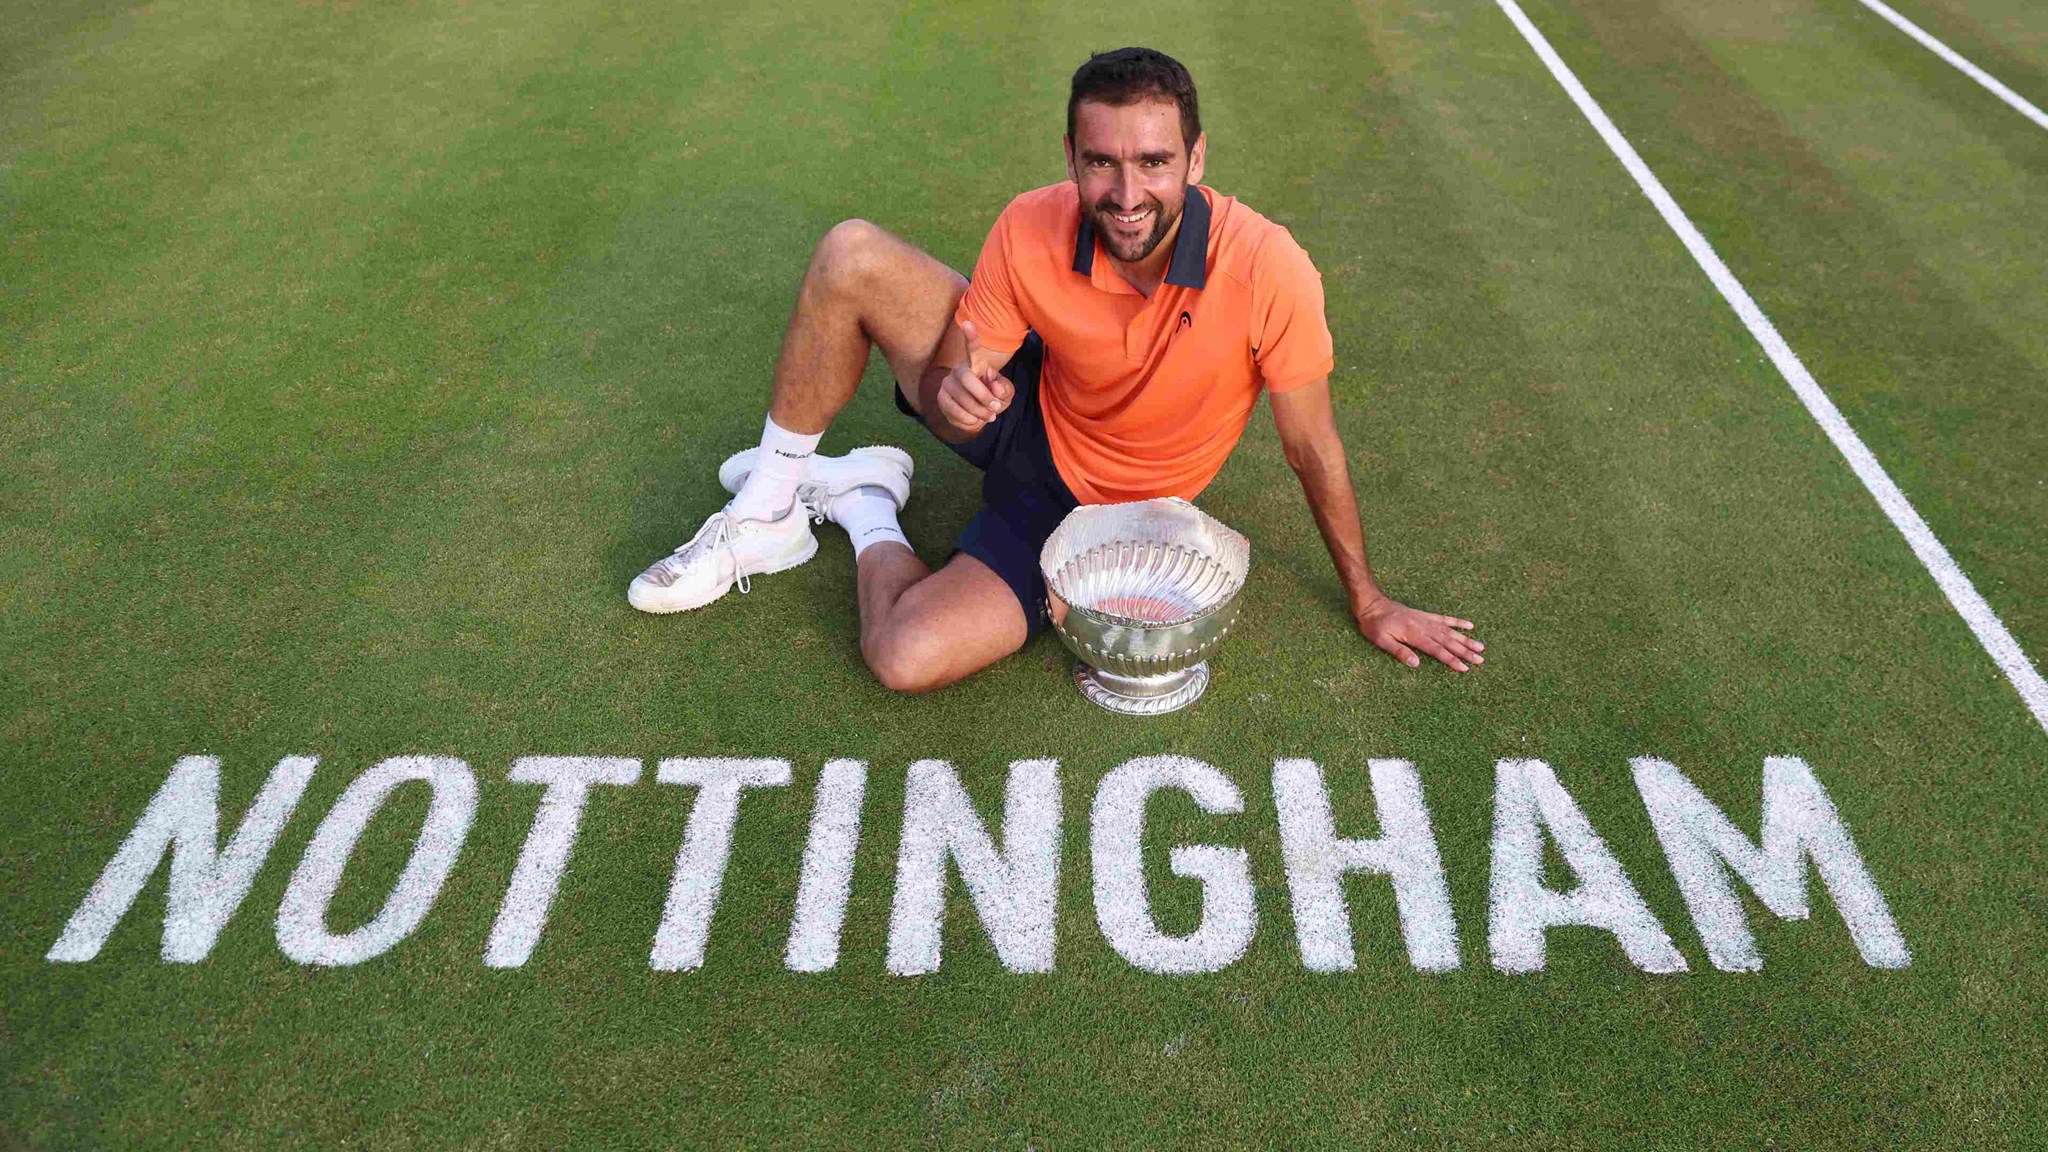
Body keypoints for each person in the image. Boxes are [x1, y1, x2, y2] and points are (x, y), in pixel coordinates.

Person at [628, 47, 1484, 692]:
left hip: (1097, 513)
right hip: (1031, 408)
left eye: (1152, 161)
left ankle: (864, 507)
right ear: (1072, 155)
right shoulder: (1031, 222)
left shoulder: (1268, 267)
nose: (1125, 192)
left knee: (902, 657)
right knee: (851, 253)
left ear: (1195, 159)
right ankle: (769, 508)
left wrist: (1370, 601)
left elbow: (1311, 448)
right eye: (1101, 161)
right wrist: (959, 393)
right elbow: (970, 377)